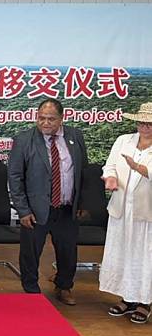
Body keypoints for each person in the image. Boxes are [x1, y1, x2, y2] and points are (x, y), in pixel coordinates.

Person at [8, 98, 88, 305]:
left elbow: (82, 172)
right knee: (30, 253)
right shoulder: (24, 140)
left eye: (51, 119)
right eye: (41, 118)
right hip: (35, 210)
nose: (45, 123)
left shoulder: (75, 136)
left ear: (62, 118)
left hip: (67, 208)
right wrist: (23, 211)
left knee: (68, 251)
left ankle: (64, 286)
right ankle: (31, 291)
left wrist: (81, 203)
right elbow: (15, 178)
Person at [100, 102, 152, 324]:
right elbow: (110, 165)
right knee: (123, 253)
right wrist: (110, 178)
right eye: (141, 122)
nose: (144, 127)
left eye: (148, 123)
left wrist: (139, 168)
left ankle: (145, 301)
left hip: (145, 212)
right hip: (121, 208)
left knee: (144, 256)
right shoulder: (123, 140)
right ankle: (127, 298)